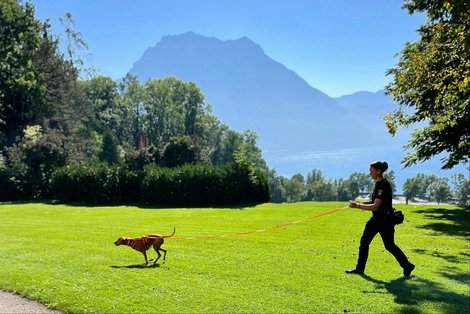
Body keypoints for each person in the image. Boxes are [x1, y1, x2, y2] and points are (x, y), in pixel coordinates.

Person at [346, 161, 415, 277]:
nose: (370, 173)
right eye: (370, 171)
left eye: (372, 171)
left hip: (382, 220)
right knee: (386, 245)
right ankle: (407, 265)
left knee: (373, 244)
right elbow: (374, 202)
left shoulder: (383, 185)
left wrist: (358, 206)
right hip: (382, 219)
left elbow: (375, 206)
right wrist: (358, 203)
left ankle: (360, 269)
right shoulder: (379, 184)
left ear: (378, 171)